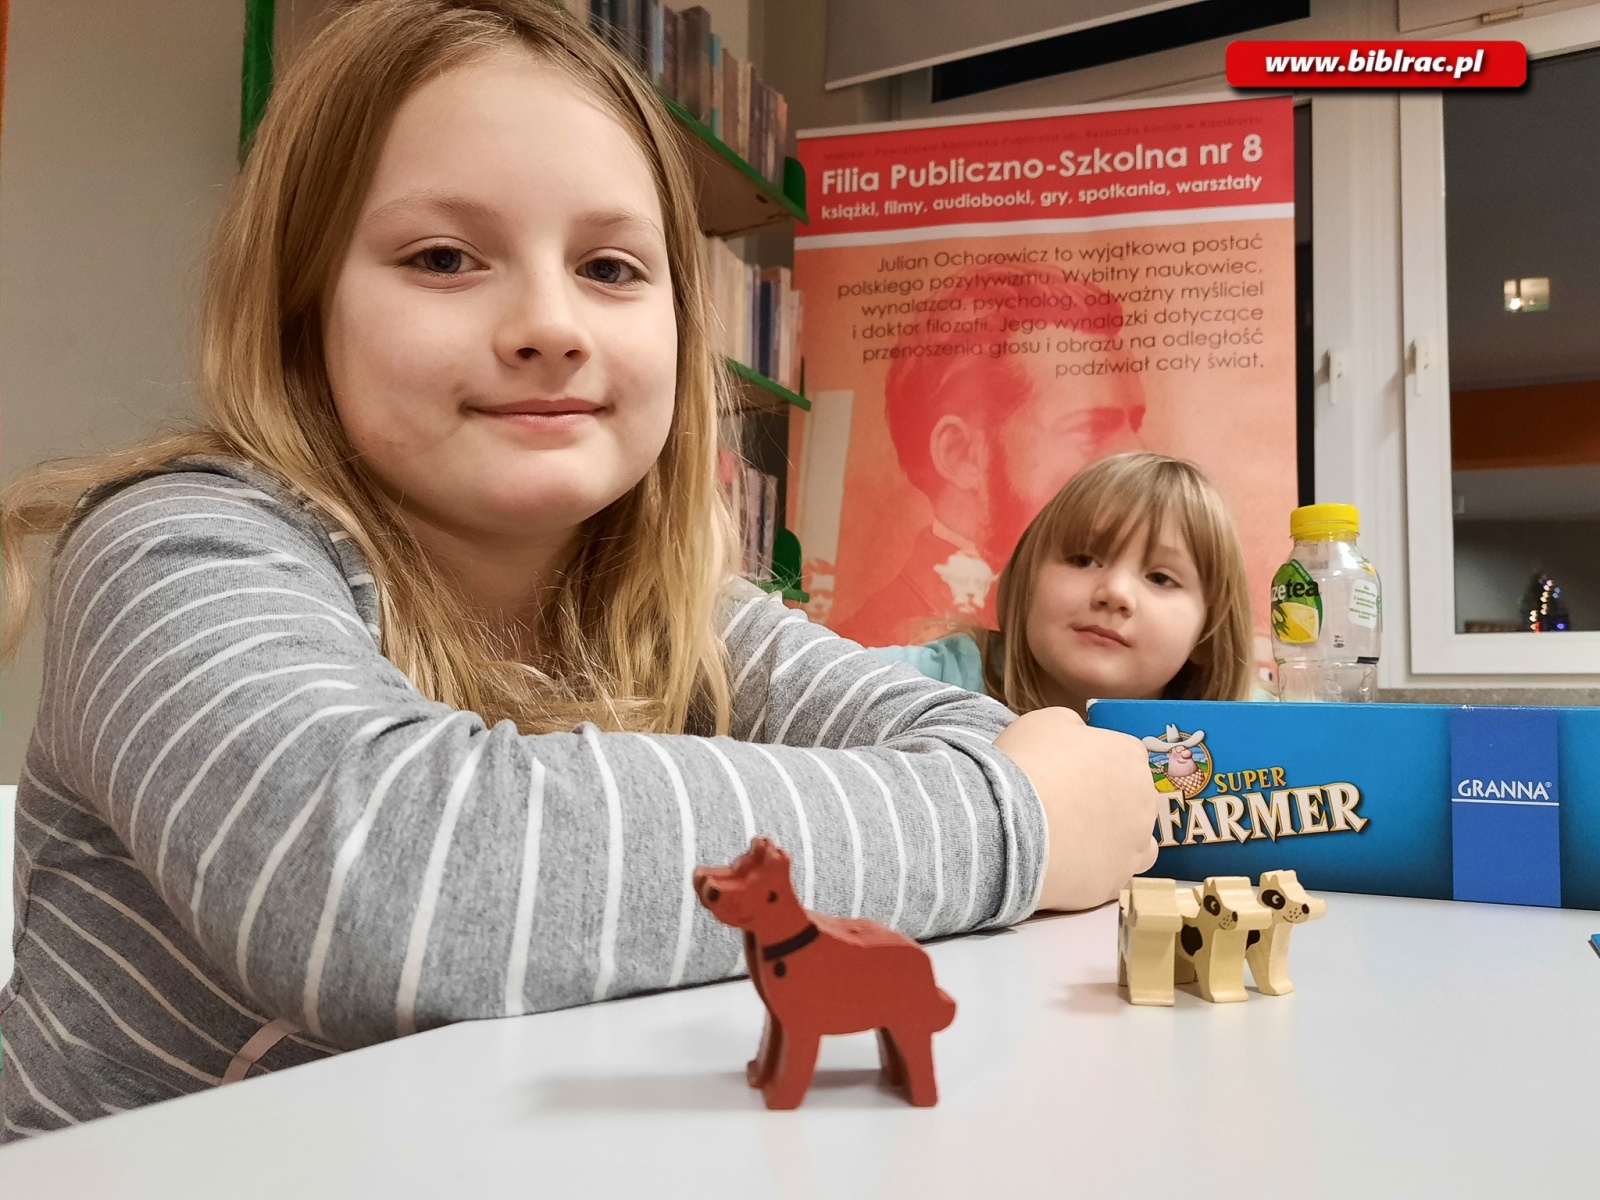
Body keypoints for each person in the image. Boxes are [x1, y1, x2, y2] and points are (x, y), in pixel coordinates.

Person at [0, 0, 1159, 1139]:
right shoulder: (171, 549)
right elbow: (384, 880)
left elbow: (970, 733)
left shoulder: (682, 614)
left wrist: (1018, 791)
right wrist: (1017, 826)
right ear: (306, 313)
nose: (550, 324)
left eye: (610, 268)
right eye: (444, 257)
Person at [834, 274, 1147, 648]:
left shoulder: (1093, 637)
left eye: (1134, 424)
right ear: (961, 454)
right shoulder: (879, 656)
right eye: (1091, 428)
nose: (1137, 453)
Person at [873, 453, 1255, 713]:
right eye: (1083, 559)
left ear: (1209, 633)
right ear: (1027, 581)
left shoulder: (1252, 740)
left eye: (1161, 578)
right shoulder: (932, 682)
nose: (1115, 593)